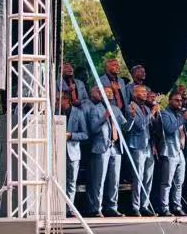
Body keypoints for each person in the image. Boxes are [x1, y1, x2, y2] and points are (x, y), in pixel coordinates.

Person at [84, 86, 127, 217]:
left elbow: (125, 127)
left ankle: (112, 207)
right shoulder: (95, 109)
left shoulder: (116, 109)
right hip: (101, 147)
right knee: (99, 180)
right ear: (101, 95)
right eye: (106, 92)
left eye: (111, 92)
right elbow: (93, 129)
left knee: (114, 180)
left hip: (115, 147)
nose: (109, 94)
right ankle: (96, 208)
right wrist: (104, 117)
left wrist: (132, 116)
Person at [124, 85, 157, 216]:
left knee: (148, 177)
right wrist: (152, 113)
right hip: (137, 146)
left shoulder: (147, 108)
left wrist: (156, 115)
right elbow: (140, 125)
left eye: (145, 91)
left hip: (148, 146)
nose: (145, 93)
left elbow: (152, 128)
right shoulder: (130, 107)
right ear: (134, 94)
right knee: (138, 177)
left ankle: (145, 205)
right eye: (142, 91)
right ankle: (135, 206)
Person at [156, 90, 186, 216]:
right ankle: (164, 208)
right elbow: (169, 129)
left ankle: (177, 206)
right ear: (170, 101)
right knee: (167, 182)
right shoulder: (164, 113)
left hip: (179, 151)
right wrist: (182, 119)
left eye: (181, 100)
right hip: (169, 150)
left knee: (179, 182)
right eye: (176, 100)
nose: (180, 102)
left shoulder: (179, 114)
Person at [61, 91, 89, 205]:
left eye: (59, 99)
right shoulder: (54, 112)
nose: (56, 102)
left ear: (66, 100)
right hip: (57, 153)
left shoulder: (78, 113)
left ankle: (69, 208)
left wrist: (71, 135)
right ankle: (59, 207)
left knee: (71, 181)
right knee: (58, 180)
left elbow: (85, 134)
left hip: (72, 153)